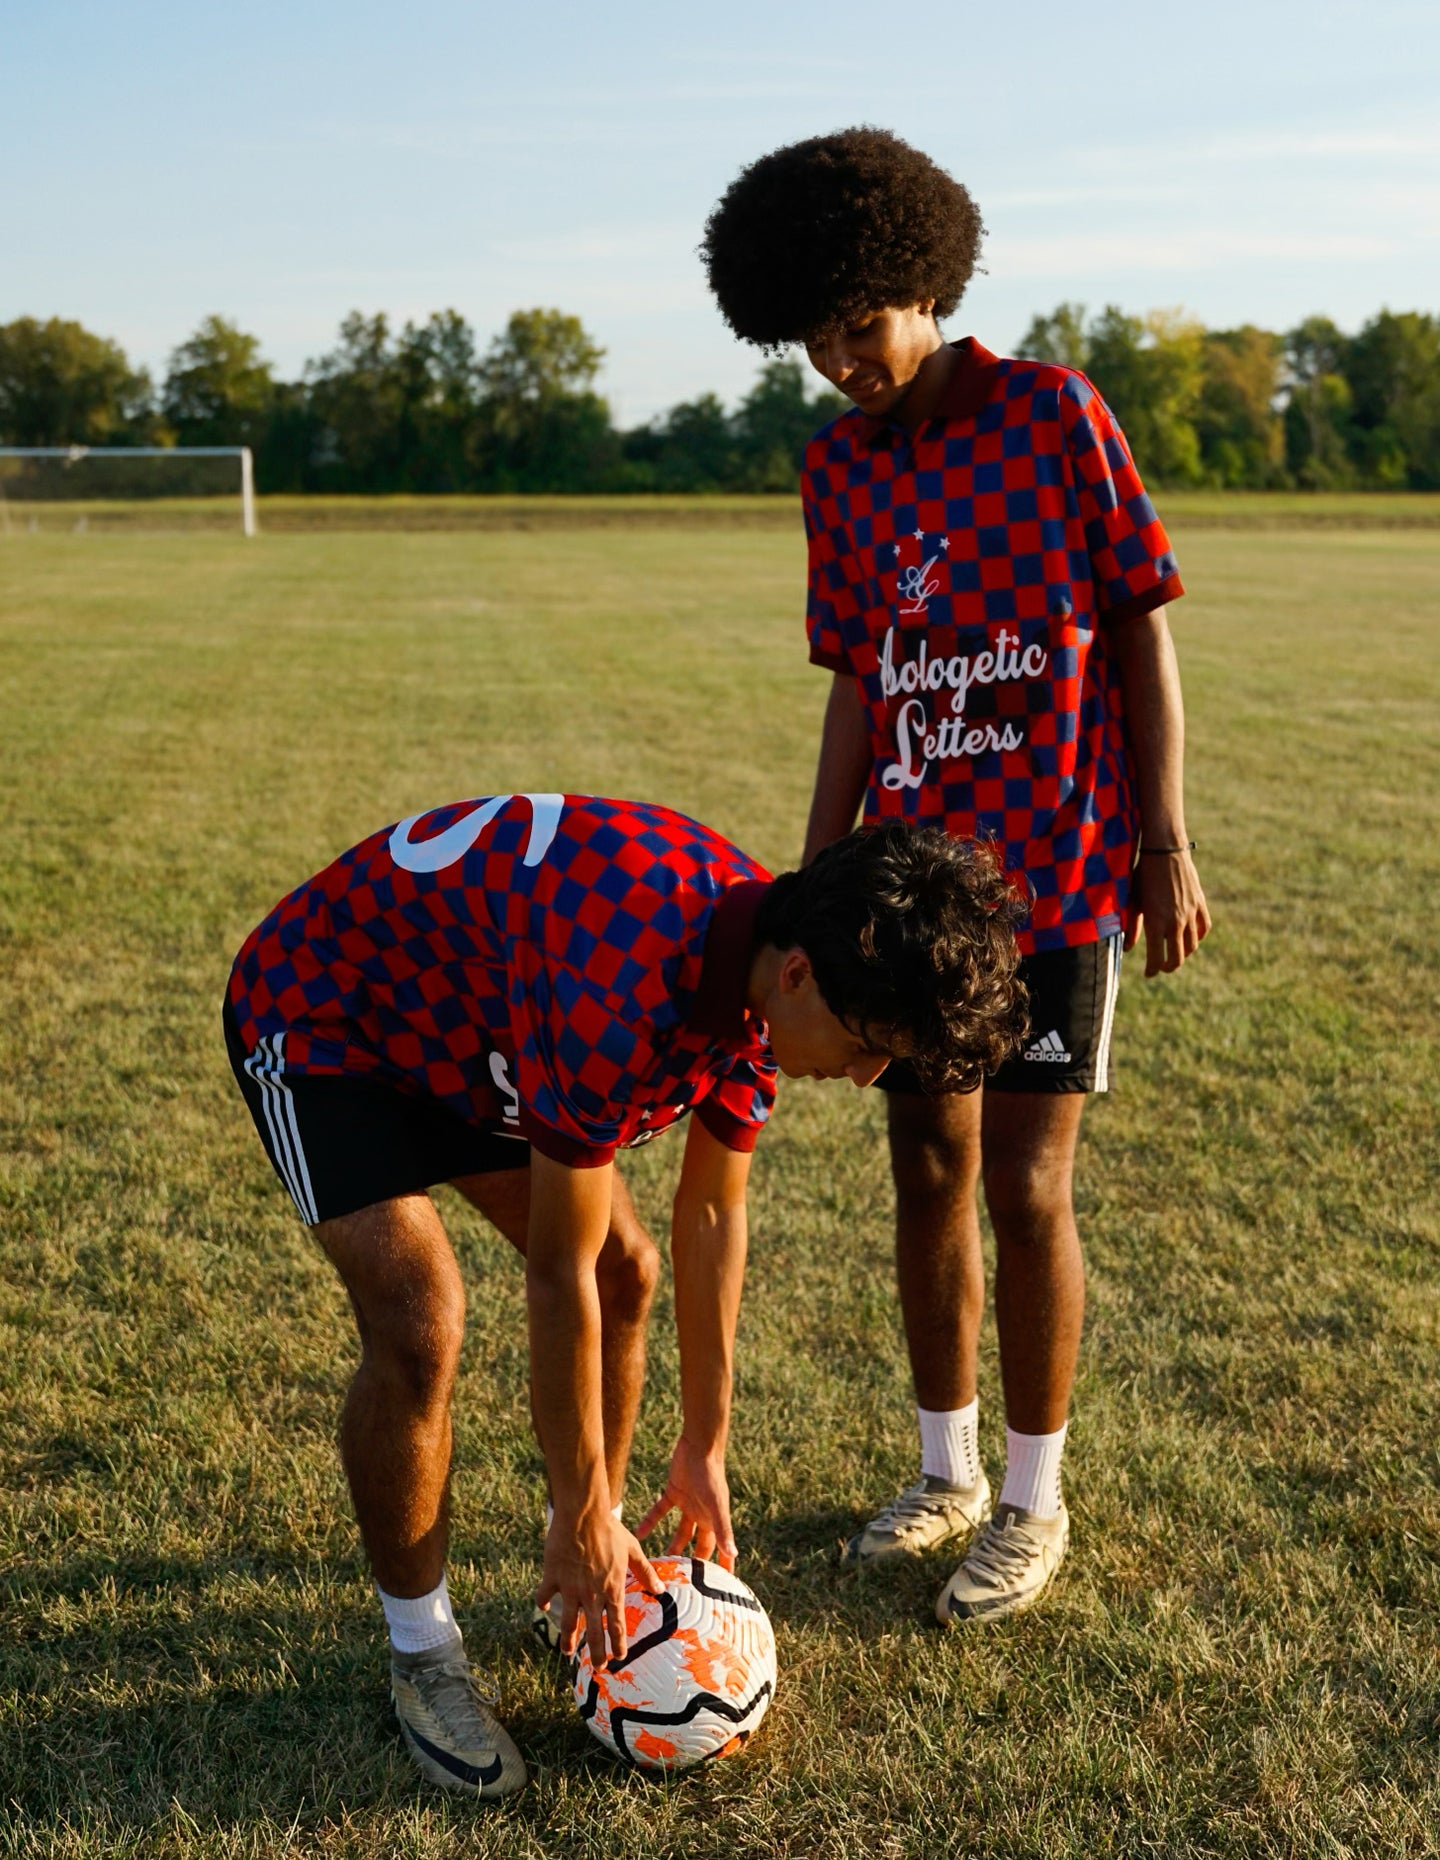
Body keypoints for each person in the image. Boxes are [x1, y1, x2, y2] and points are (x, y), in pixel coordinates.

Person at [224, 789, 1025, 1796]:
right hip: (327, 1018)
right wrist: (578, 1503)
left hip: (473, 1026)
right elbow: (554, 1275)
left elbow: (709, 1218)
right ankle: (424, 1654)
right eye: (867, 1046)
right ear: (797, 976)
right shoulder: (624, 982)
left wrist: (705, 1449)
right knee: (421, 1316)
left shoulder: (772, 958)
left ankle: (577, 1563)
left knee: (626, 1269)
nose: (865, 1078)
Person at [702, 129, 1212, 1627]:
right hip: (906, 894)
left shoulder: (1053, 414)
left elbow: (1140, 625)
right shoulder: (838, 471)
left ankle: (1034, 1498)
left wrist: (1163, 837)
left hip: (1053, 878)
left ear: (924, 285)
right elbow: (859, 681)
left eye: (860, 324)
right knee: (924, 1171)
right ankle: (944, 1472)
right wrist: (813, 880)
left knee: (1026, 1182)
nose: (841, 360)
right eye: (811, 338)